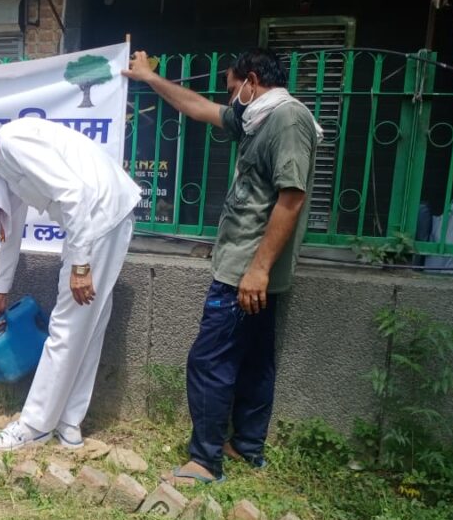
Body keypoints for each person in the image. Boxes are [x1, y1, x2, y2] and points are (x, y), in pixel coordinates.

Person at [124, 48, 321, 484]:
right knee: (253, 358)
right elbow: (197, 107)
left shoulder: (287, 120)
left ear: (252, 81)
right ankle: (246, 446)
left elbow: (291, 198)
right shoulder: (256, 116)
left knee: (208, 360)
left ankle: (205, 461)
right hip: (248, 266)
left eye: (233, 88)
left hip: (246, 271)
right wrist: (149, 78)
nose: (230, 98)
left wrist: (259, 268)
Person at [0, 115, 141, 451]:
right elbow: (10, 232)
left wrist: (79, 265)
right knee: (87, 327)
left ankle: (34, 425)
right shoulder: (4, 162)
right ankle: (68, 422)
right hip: (102, 220)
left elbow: (74, 196)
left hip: (101, 218)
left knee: (65, 327)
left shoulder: (15, 146)